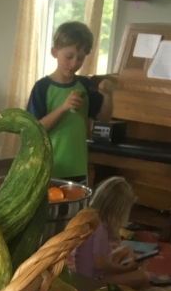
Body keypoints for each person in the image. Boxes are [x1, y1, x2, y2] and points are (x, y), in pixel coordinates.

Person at [27, 21, 113, 182]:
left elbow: (104, 118)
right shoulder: (42, 87)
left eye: (81, 58)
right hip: (48, 167)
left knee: (77, 208)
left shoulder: (85, 85)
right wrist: (63, 107)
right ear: (55, 52)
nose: (74, 63)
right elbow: (34, 130)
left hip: (77, 167)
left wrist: (108, 95)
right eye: (69, 56)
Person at [74, 176, 151, 289]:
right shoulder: (99, 229)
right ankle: (125, 275)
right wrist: (126, 269)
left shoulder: (91, 218)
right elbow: (100, 264)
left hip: (91, 271)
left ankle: (125, 272)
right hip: (93, 280)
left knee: (127, 249)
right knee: (144, 276)